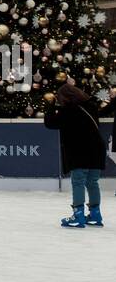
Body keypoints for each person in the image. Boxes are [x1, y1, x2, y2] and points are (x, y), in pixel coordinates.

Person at [44, 82, 106, 228]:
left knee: (78, 182)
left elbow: (50, 123)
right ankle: (95, 214)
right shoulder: (90, 106)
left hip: (80, 151)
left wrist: (51, 106)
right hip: (97, 149)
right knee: (93, 182)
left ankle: (78, 216)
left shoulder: (68, 111)